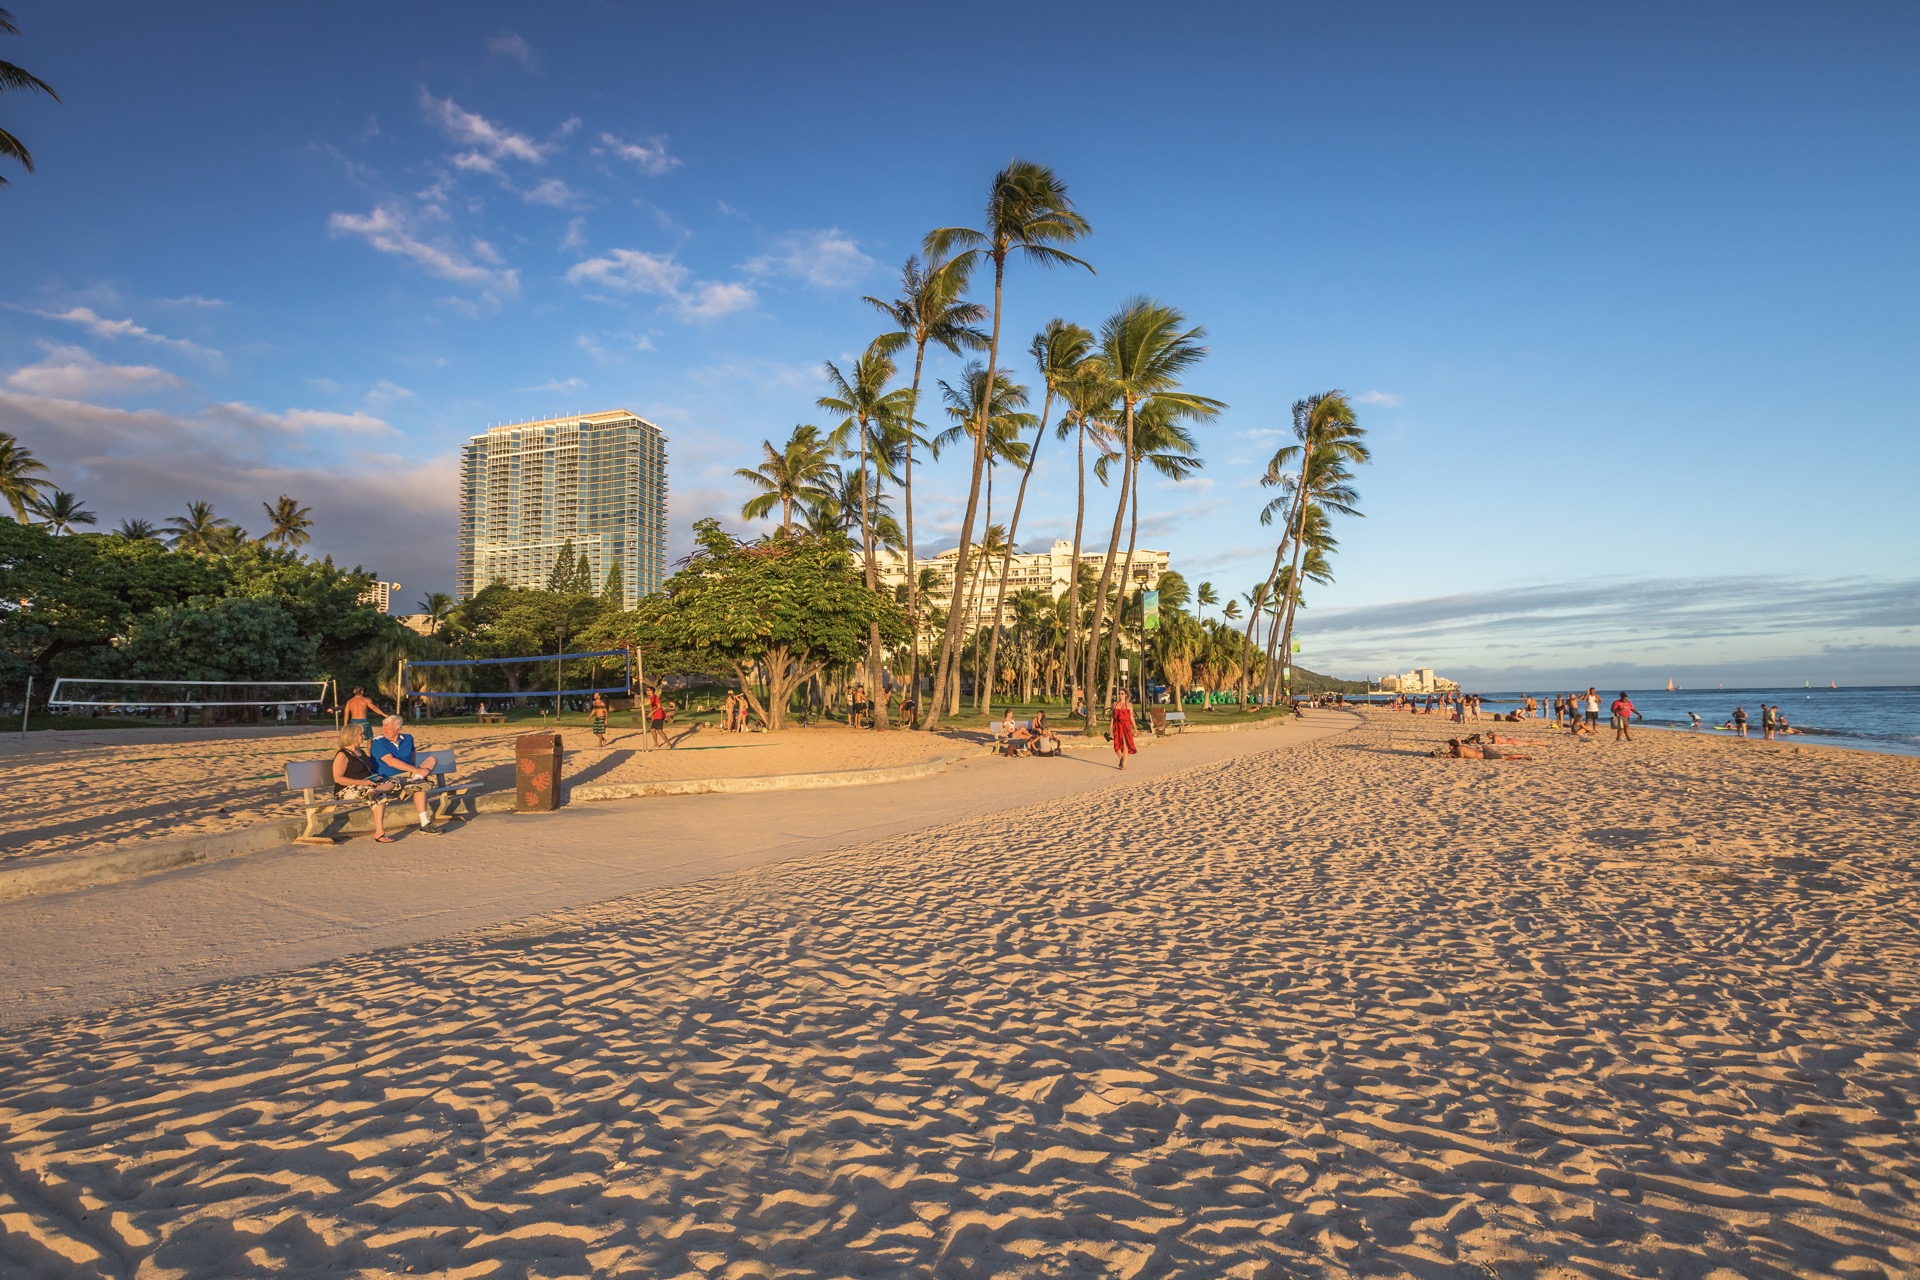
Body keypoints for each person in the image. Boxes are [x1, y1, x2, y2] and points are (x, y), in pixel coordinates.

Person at [367, 716, 444, 837]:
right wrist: (415, 769)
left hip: (409, 775)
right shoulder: (377, 742)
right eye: (384, 728)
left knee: (432, 759)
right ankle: (424, 821)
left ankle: (415, 781)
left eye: (389, 729)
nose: (385, 731)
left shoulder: (408, 738)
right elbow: (390, 761)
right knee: (420, 786)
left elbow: (413, 752)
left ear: (399, 729)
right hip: (389, 777)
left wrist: (414, 769)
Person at [1110, 689, 1138, 770]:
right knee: (1116, 747)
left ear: (1125, 695)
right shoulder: (1115, 704)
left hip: (1126, 726)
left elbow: (1131, 717)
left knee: (1125, 745)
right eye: (1119, 693)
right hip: (1117, 726)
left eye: (1122, 693)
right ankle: (1122, 759)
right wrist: (1110, 728)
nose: (1120, 695)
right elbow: (1112, 717)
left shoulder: (1129, 705)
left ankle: (1124, 764)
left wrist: (1135, 729)